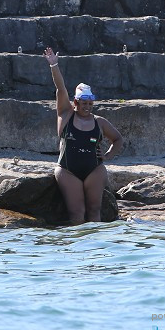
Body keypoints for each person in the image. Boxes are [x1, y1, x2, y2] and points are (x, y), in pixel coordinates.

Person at [44, 47, 124, 224]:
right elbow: (61, 89)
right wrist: (54, 65)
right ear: (75, 103)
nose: (87, 107)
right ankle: (77, 249)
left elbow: (118, 139)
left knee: (94, 211)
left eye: (90, 103)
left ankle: (93, 248)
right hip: (67, 171)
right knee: (77, 213)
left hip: (94, 170)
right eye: (83, 103)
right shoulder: (66, 115)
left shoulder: (100, 122)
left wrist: (108, 155)